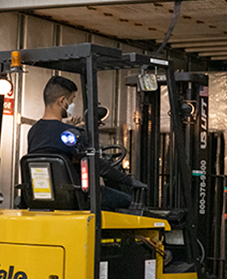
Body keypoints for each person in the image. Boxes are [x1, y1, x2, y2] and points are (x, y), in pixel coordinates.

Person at [27, 75, 146, 211]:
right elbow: (96, 164)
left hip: (41, 198)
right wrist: (129, 181)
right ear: (62, 101)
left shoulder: (33, 131)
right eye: (71, 100)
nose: (72, 105)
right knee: (129, 201)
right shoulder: (70, 133)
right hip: (74, 197)